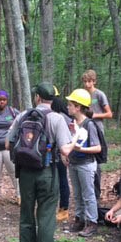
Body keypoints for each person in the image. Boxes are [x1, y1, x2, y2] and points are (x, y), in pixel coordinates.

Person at [7, 82, 73, 242]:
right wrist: (75, 141)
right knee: (45, 216)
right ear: (53, 99)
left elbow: (8, 142)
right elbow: (65, 149)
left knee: (26, 214)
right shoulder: (57, 119)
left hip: (25, 173)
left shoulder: (22, 116)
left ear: (37, 97)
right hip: (47, 172)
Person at [66, 89, 101, 237]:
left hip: (86, 164)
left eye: (70, 104)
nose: (68, 107)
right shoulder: (73, 124)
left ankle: (92, 223)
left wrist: (82, 149)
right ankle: (79, 220)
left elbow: (97, 148)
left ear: (78, 107)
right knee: (77, 194)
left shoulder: (89, 125)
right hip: (74, 163)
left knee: (88, 194)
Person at [82, 69, 112, 199]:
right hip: (84, 129)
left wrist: (95, 115)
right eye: (85, 82)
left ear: (94, 81)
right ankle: (87, 191)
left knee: (96, 163)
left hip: (97, 130)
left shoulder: (99, 95)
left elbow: (109, 114)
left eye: (89, 81)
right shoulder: (82, 94)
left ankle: (96, 193)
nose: (87, 84)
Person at [50, 94, 73, 222]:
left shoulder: (61, 118)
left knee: (62, 180)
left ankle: (64, 208)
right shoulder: (61, 117)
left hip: (61, 153)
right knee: (58, 180)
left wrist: (64, 153)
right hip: (55, 153)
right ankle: (59, 208)